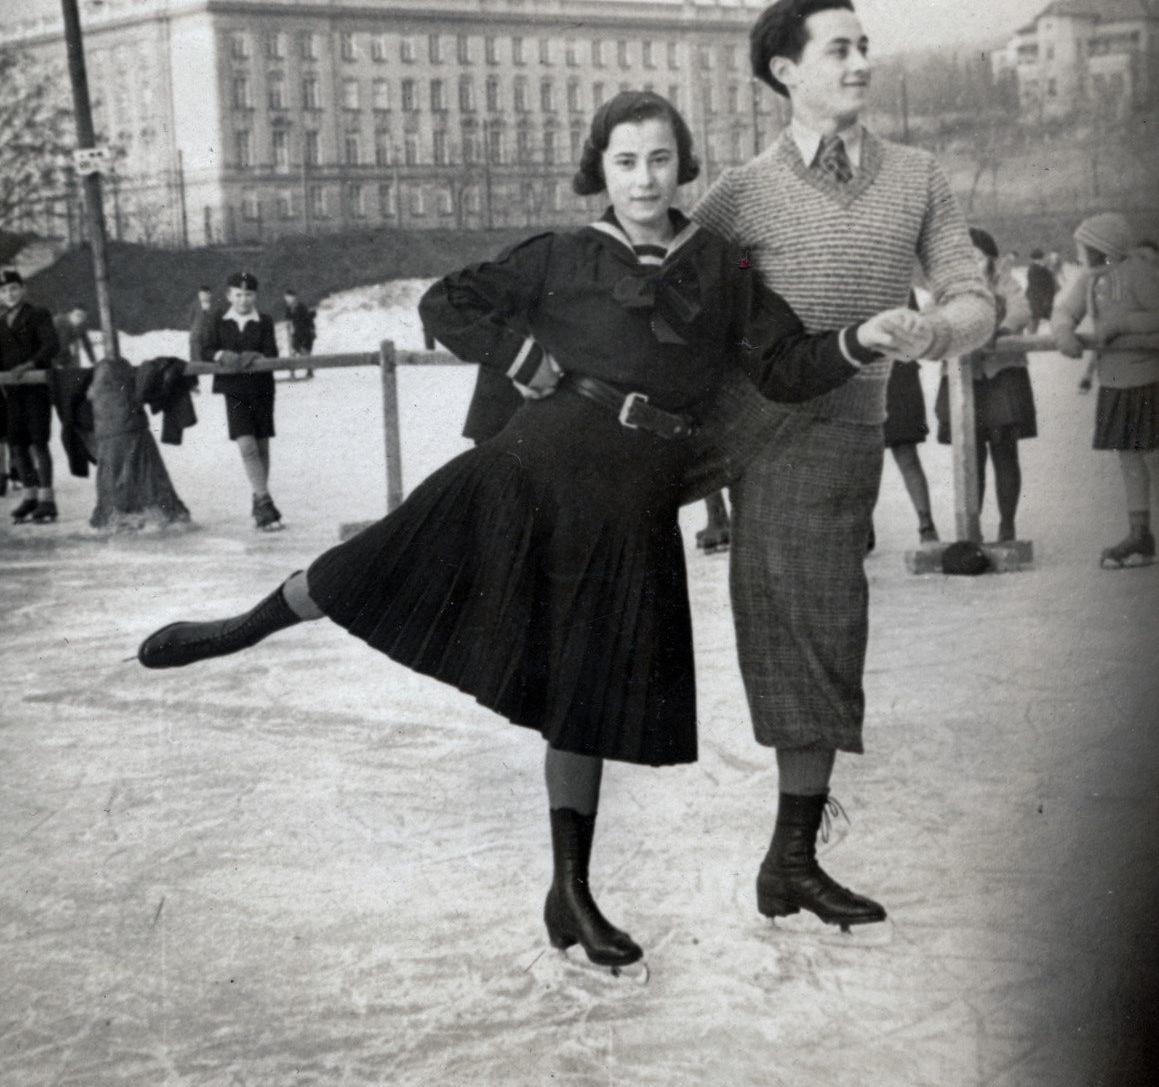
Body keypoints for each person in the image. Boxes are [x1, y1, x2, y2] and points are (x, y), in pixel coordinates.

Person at [138, 91, 912, 966]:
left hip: (628, 505)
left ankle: (568, 893)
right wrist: (518, 356)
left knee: (581, 692)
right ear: (600, 169)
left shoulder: (721, 268)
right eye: (625, 161)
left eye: (659, 159)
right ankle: (245, 624)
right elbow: (447, 303)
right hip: (532, 467)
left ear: (681, 164)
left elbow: (783, 365)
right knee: (377, 567)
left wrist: (862, 338)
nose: (644, 178)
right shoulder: (565, 254)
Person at [691, 0, 993, 929]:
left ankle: (789, 860)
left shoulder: (915, 174)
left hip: (852, 430)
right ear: (785, 71)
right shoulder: (738, 194)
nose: (861, 62)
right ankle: (787, 862)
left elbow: (972, 292)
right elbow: (671, 306)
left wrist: (934, 332)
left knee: (826, 628)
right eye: (838, 49)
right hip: (762, 436)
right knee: (790, 623)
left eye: (865, 45)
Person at [1052, 213, 1159, 567]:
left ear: (1104, 248)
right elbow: (1064, 310)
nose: (1080, 252)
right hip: (1114, 382)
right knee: (1128, 457)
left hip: (1147, 379)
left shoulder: (1140, 272)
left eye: (1086, 246)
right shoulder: (1088, 279)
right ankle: (1140, 532)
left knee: (1152, 456)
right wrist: (1064, 330)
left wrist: (1121, 324)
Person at [934, 228, 1036, 545]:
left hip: (1001, 378)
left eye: (976, 257)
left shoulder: (1004, 283)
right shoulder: (950, 288)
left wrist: (1001, 329)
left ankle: (1007, 525)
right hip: (964, 382)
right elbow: (930, 316)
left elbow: (1022, 309)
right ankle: (971, 527)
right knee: (970, 456)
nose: (970, 263)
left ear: (990, 260)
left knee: (1004, 453)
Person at [203, 271, 283, 531]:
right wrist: (220, 354)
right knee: (246, 446)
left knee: (261, 447)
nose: (244, 300)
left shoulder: (265, 321)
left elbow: (272, 351)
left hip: (261, 388)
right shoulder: (218, 319)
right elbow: (204, 348)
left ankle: (260, 501)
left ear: (255, 296)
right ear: (228, 295)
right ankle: (263, 499)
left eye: (249, 294)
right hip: (234, 390)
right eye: (238, 294)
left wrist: (256, 354)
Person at [0, 268, 62, 522]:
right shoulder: (0, 321)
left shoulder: (38, 314)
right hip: (11, 392)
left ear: (23, 289)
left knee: (38, 441)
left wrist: (30, 365)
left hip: (35, 388)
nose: (9, 294)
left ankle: (47, 500)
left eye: (13, 288)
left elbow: (51, 344)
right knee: (17, 443)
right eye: (4, 291)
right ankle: (30, 496)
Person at [882, 294, 939, 544]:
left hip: (892, 378)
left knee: (904, 455)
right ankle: (925, 525)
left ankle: (926, 525)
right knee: (866, 461)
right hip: (884, 377)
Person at [283, 288, 316, 379]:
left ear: (294, 297)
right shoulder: (289, 308)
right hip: (297, 332)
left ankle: (309, 369)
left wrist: (312, 329)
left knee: (304, 349)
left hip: (306, 331)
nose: (287, 299)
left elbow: (309, 318)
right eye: (286, 297)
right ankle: (307, 366)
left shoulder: (300, 306)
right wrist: (288, 323)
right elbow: (288, 318)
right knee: (296, 347)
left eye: (289, 297)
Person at [1025, 248, 1057, 332]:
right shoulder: (1037, 269)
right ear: (1041, 258)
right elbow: (1044, 283)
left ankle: (1031, 337)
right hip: (1040, 298)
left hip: (1036, 297)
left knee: (1034, 318)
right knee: (1036, 319)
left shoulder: (1034, 268)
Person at [189, 286, 216, 365]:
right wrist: (195, 329)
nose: (203, 296)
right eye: (201, 294)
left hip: (209, 334)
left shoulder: (214, 306)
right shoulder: (195, 305)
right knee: (196, 355)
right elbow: (190, 318)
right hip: (197, 335)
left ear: (210, 295)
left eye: (205, 294)